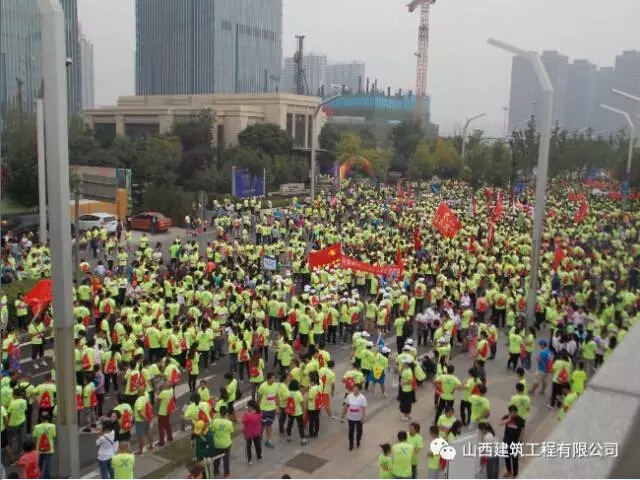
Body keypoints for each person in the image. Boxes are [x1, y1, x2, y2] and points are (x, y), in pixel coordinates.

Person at [499, 405, 525, 479]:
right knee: (507, 457)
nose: (513, 414)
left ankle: (515, 473)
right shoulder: (507, 417)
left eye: (514, 412)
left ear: (516, 412)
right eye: (511, 412)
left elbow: (523, 429)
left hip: (515, 442)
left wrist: (521, 439)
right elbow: (500, 423)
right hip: (506, 440)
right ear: (509, 412)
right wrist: (509, 419)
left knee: (514, 458)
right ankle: (509, 471)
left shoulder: (520, 419)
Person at [341, 382, 367, 451]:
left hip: (359, 418)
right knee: (351, 431)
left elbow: (364, 408)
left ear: (359, 389)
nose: (354, 390)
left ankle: (358, 441)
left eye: (356, 388)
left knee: (359, 431)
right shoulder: (349, 396)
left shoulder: (362, 398)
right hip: (351, 417)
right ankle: (351, 444)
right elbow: (346, 406)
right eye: (353, 388)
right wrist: (342, 415)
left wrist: (363, 417)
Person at [32, 411, 56, 479]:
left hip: (39, 448)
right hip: (49, 448)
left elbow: (35, 437)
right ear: (48, 417)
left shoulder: (36, 427)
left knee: (39, 464)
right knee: (48, 464)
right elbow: (54, 436)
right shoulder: (53, 426)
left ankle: (38, 476)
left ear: (41, 418)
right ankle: (46, 477)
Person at [211, 406, 234, 478]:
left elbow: (212, 431)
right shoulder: (229, 423)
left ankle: (215, 471)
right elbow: (231, 433)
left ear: (219, 413)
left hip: (217, 444)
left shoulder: (215, 421)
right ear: (226, 413)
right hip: (226, 444)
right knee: (226, 459)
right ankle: (226, 473)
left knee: (217, 459)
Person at [257, 372, 278, 448]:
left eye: (275, 378)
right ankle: (259, 437)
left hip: (272, 409)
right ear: (269, 379)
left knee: (269, 425)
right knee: (262, 425)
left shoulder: (276, 386)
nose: (274, 379)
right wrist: (258, 408)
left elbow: (277, 396)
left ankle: (268, 440)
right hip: (264, 409)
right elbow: (259, 398)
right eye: (273, 378)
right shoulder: (262, 386)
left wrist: (277, 407)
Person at [284, 380, 307, 445]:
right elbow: (302, 403)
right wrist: (304, 411)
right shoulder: (298, 393)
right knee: (300, 426)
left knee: (290, 424)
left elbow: (285, 399)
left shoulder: (287, 392)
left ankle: (289, 437)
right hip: (298, 412)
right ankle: (302, 439)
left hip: (290, 411)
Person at [242, 400, 263, 464]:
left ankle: (249, 459)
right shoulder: (260, 413)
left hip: (248, 433)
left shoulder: (246, 415)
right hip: (257, 432)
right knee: (257, 445)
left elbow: (243, 422)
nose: (247, 408)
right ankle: (259, 457)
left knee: (248, 446)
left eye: (248, 407)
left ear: (250, 407)